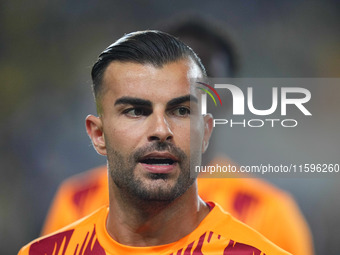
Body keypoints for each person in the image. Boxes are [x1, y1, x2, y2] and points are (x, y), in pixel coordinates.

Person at [40, 19, 314, 255]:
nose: (161, 129)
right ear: (98, 134)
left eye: (182, 107)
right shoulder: (75, 203)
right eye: (137, 109)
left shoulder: (268, 212)